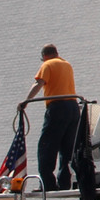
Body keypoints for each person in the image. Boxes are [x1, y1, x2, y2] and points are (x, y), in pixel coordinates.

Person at [23, 44, 79, 192]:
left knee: (47, 146)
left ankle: (47, 184)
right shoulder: (67, 64)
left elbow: (39, 83)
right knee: (67, 148)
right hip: (73, 108)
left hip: (58, 107)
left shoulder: (47, 65)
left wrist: (26, 102)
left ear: (45, 56)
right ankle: (65, 184)